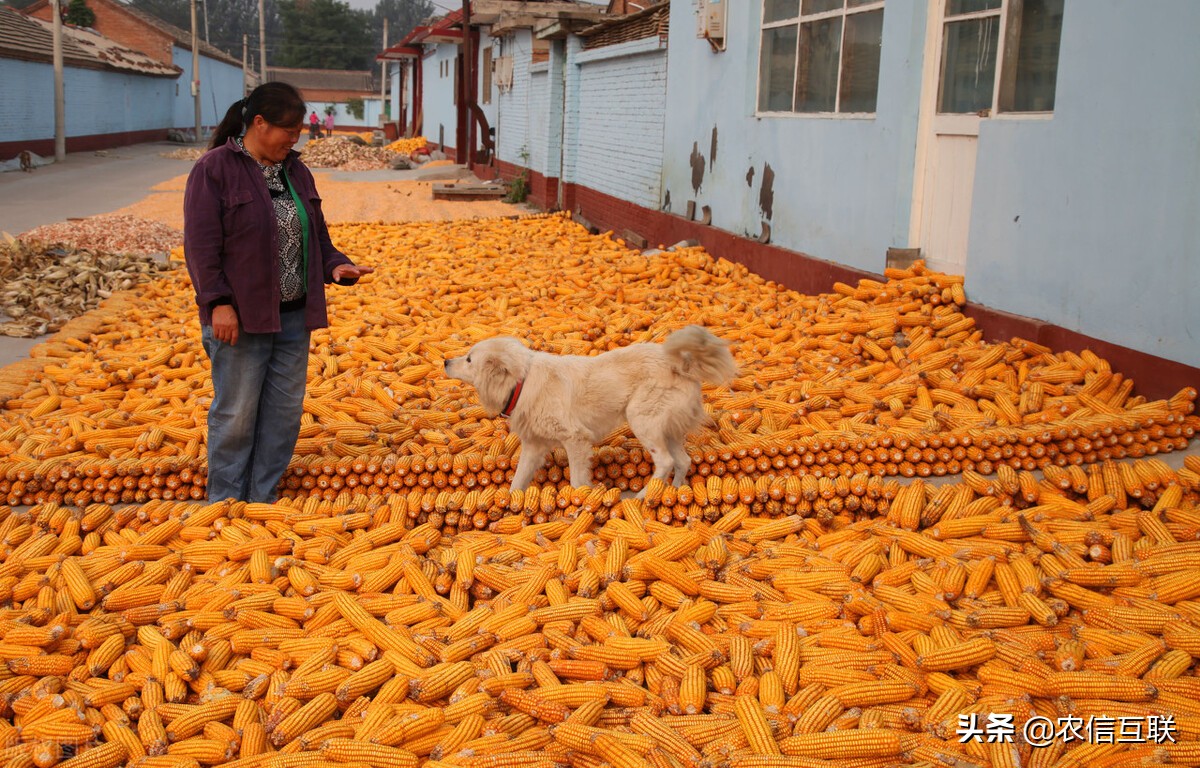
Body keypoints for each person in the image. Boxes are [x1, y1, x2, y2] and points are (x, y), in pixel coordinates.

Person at [184, 82, 374, 502]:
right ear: (258, 123)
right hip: (241, 317)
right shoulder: (214, 169)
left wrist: (335, 264)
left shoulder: (296, 171)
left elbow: (317, 235)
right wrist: (217, 303)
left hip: (292, 316)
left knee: (283, 415)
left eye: (299, 131)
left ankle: (261, 497)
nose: (295, 138)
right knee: (236, 415)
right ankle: (226, 502)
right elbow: (200, 246)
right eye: (288, 129)